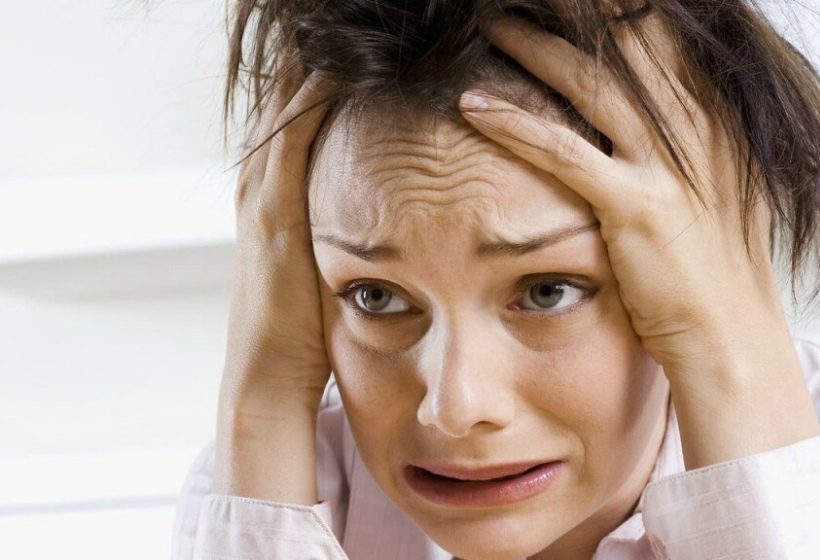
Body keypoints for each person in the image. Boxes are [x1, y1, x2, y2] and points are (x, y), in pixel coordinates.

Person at [171, 0, 820, 558]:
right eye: (377, 296)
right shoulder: (266, 485)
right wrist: (264, 396)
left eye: (546, 291)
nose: (455, 408)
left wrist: (731, 361)